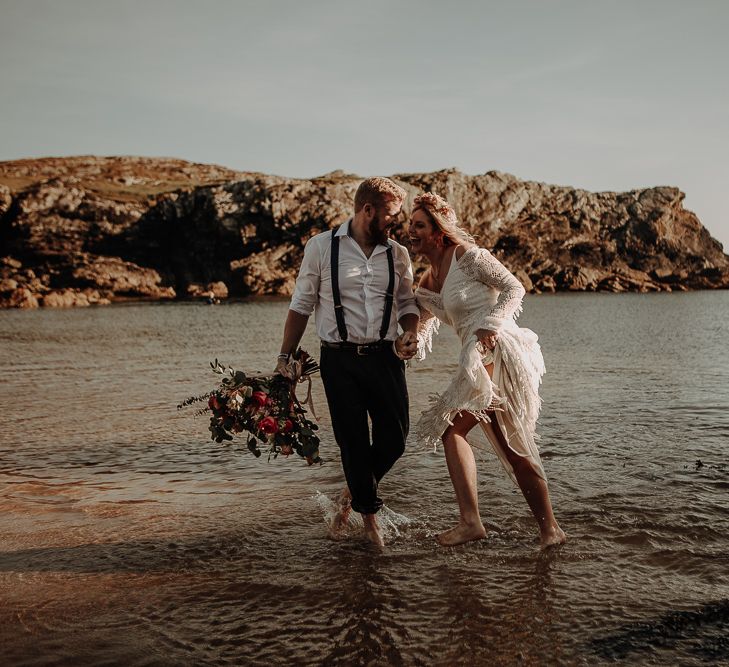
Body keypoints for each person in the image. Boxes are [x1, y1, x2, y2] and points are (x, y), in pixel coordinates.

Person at [408, 191, 566, 548]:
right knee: (509, 446)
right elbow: (418, 329)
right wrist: (406, 343)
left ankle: (473, 522)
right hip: (474, 357)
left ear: (438, 231)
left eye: (418, 225)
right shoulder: (428, 282)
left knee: (459, 431)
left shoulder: (468, 256)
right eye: (409, 225)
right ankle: (548, 530)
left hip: (496, 352)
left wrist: (492, 323)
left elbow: (514, 287)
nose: (410, 231)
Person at [276, 177, 419, 547]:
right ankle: (371, 523)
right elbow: (301, 305)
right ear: (367, 210)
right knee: (353, 441)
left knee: (396, 438)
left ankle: (353, 493)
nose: (395, 222)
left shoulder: (397, 254)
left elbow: (407, 304)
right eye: (390, 214)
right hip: (339, 361)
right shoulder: (322, 247)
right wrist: (284, 357)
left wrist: (410, 332)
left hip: (386, 358)